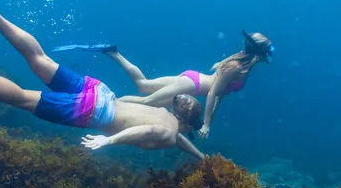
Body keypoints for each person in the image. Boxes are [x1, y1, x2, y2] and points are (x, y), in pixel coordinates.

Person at [0, 1, 205, 160]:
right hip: (92, 112)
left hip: (100, 92)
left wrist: (201, 157)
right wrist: (108, 141)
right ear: (187, 124)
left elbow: (177, 137)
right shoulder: (169, 134)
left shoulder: (162, 112)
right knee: (22, 99)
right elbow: (150, 132)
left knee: (40, 59)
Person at [53, 31, 274, 140]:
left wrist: (210, 120)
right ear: (262, 53)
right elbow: (215, 92)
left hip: (192, 79)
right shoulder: (238, 67)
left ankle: (113, 52)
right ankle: (105, 101)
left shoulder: (243, 64)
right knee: (146, 101)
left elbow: (220, 95)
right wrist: (207, 124)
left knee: (143, 85)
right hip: (192, 87)